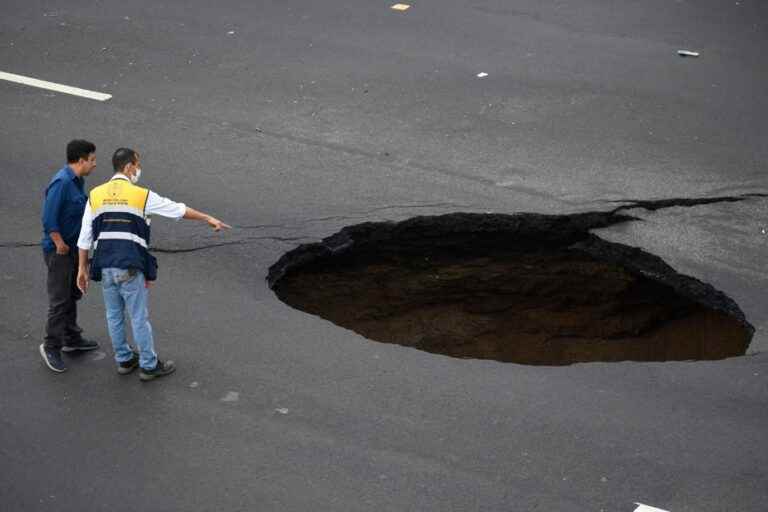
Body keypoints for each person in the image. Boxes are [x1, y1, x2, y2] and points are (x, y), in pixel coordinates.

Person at [76, 148, 231, 381]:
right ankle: (149, 365)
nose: (138, 169)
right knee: (138, 317)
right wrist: (208, 218)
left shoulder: (95, 195)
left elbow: (85, 237)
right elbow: (177, 210)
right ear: (128, 167)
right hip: (129, 265)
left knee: (113, 315)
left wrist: (81, 268)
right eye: (137, 165)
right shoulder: (141, 195)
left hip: (104, 265)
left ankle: (124, 359)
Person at [39, 140, 100, 373]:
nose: (94, 164)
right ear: (81, 160)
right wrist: (59, 243)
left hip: (74, 249)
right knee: (59, 299)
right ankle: (51, 345)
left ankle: (71, 337)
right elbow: (48, 218)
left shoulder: (77, 181)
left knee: (73, 292)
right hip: (60, 251)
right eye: (92, 160)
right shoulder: (62, 183)